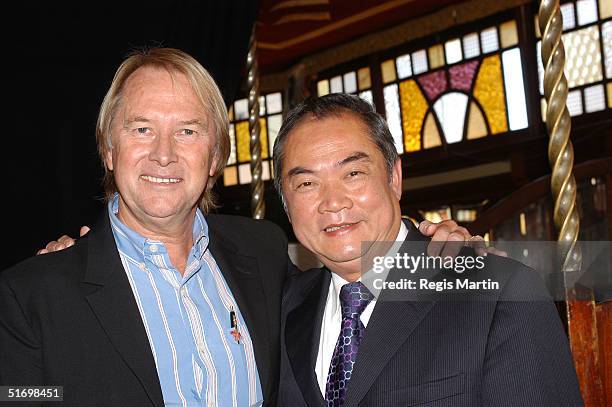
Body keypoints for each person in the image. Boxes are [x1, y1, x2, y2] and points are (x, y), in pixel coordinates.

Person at [0, 48, 477, 406]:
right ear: (108, 149)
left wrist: (420, 237)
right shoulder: (33, 295)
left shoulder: (262, 253)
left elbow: (351, 271)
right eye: (141, 128)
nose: (163, 152)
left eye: (188, 131)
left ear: (214, 159)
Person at [273, 94, 583, 406]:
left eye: (353, 174)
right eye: (306, 184)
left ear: (394, 178)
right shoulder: (282, 309)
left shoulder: (498, 294)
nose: (333, 202)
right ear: (286, 205)